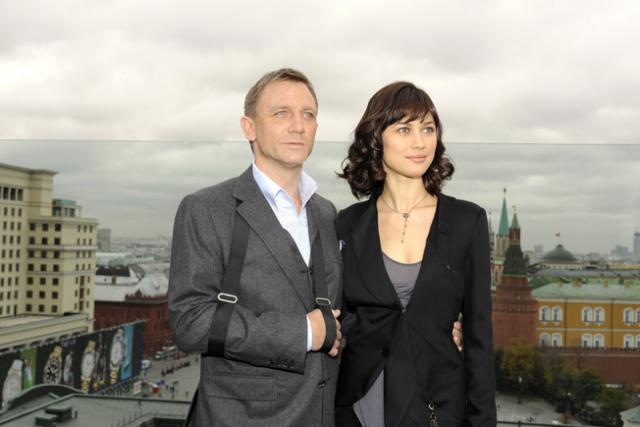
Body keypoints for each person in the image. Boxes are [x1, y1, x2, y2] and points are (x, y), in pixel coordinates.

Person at [168, 68, 343, 426]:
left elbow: (340, 316)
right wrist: (303, 333)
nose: (298, 126)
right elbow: (190, 321)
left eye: (308, 114)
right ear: (249, 127)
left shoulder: (326, 213)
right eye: (281, 113)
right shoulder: (206, 209)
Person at [335, 82, 496, 426]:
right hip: (359, 407)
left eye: (428, 128)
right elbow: (339, 316)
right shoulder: (347, 225)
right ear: (376, 138)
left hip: (436, 407)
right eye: (404, 129)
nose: (420, 142)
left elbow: (480, 339)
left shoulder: (467, 222)